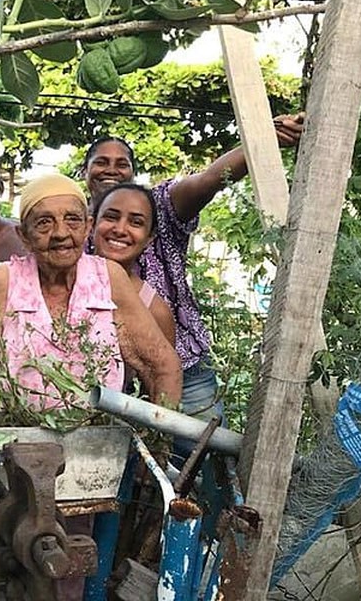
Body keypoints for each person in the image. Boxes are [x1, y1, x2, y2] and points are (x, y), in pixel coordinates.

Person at [81, 114, 303, 417]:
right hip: (103, 377)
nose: (111, 169)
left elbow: (209, 179)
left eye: (122, 164)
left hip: (184, 370)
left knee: (199, 453)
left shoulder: (160, 205)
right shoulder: (73, 226)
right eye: (101, 162)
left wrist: (265, 139)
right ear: (85, 171)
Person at [0, 174, 182, 408]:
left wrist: (157, 434)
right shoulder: (3, 280)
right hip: (16, 436)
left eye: (72, 220)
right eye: (44, 222)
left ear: (87, 228)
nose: (61, 233)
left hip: (100, 434)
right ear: (24, 236)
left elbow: (162, 365)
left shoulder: (108, 278)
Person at [92, 183, 176, 346]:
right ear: (92, 224)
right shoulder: (60, 282)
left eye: (136, 222)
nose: (120, 230)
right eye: (111, 217)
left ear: (150, 237)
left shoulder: (155, 311)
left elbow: (164, 370)